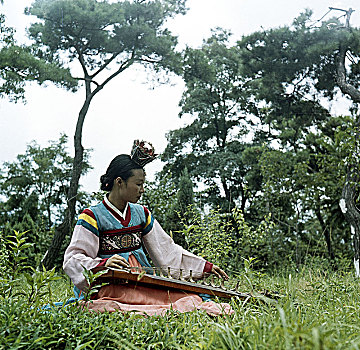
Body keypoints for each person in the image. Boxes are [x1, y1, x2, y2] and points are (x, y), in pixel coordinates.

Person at [63, 140, 233, 316]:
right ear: (119, 182)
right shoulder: (92, 216)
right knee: (137, 300)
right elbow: (73, 258)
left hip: (141, 279)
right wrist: (103, 265)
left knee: (185, 296)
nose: (142, 190)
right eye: (138, 184)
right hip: (108, 285)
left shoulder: (141, 213)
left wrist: (203, 267)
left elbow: (166, 249)